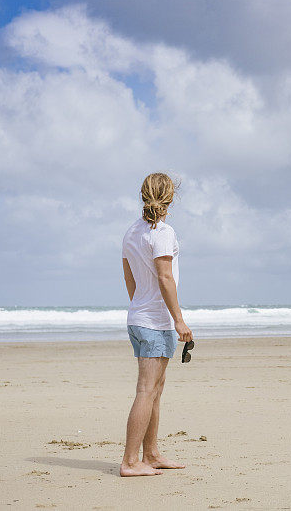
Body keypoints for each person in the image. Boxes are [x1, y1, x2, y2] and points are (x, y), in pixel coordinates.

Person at [119, 172, 193, 477]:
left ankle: (150, 454)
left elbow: (129, 278)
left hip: (140, 318)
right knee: (146, 390)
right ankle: (130, 461)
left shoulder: (131, 232)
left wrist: (141, 307)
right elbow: (165, 277)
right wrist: (178, 320)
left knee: (155, 391)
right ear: (170, 198)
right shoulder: (162, 232)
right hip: (154, 322)